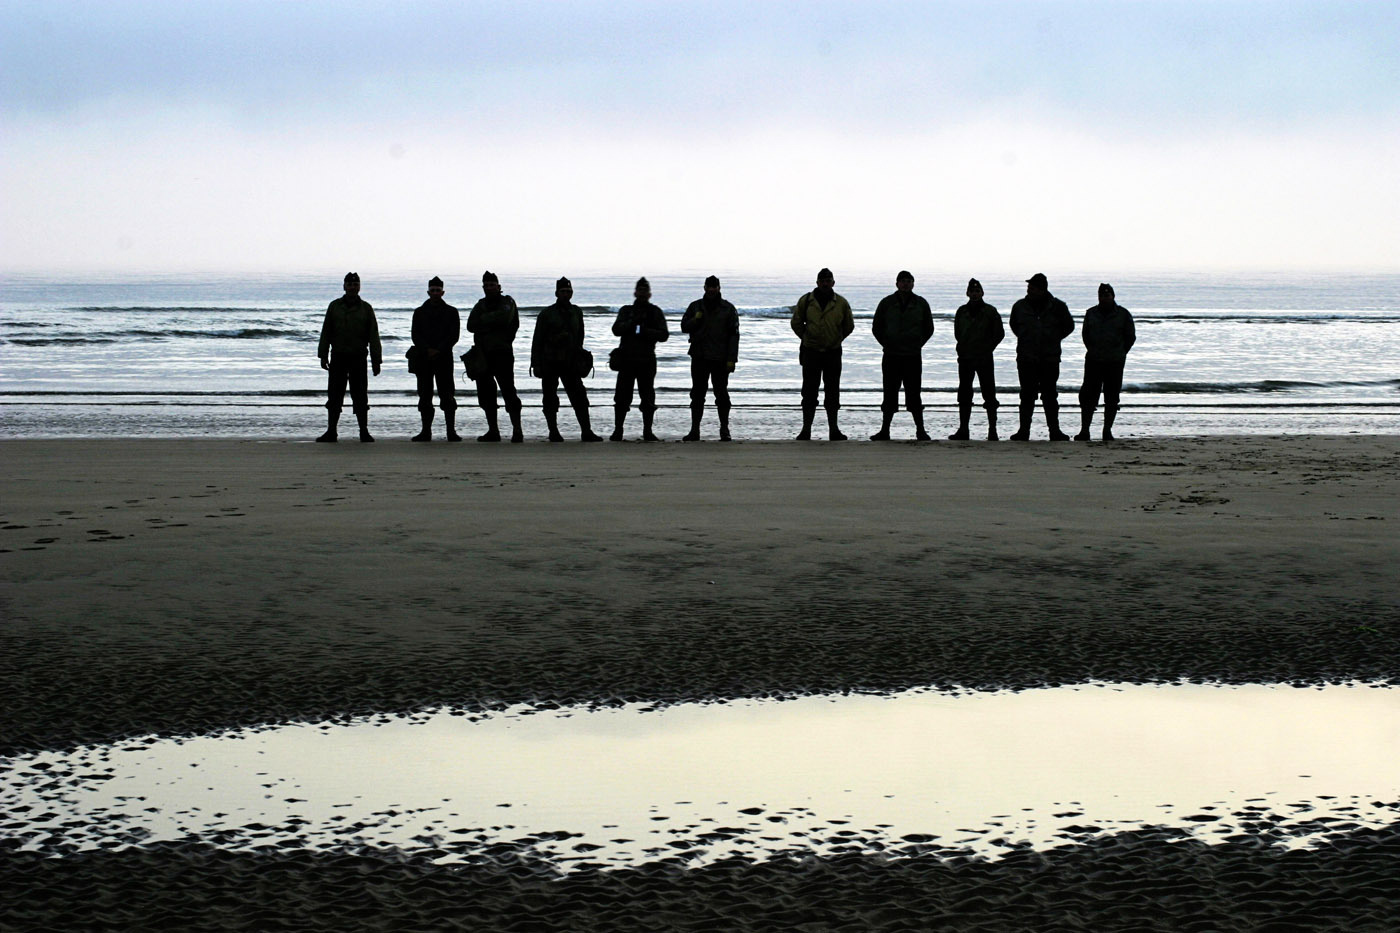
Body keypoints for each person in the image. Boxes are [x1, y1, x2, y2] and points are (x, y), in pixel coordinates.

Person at [531, 276, 602, 442]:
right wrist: (535, 363)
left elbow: (580, 336)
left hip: (570, 361)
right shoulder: (547, 314)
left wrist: (580, 356)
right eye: (563, 291)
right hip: (550, 361)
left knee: (579, 397)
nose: (566, 294)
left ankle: (586, 431)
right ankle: (553, 432)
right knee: (549, 398)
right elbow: (537, 340)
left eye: (568, 291)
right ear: (556, 293)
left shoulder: (576, 312)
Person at [1008, 272, 1074, 441]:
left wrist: (1052, 338)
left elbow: (1068, 327)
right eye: (1029, 286)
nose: (1029, 289)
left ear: (1042, 289)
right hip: (1026, 357)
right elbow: (1014, 326)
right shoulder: (1020, 306)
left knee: (1050, 395)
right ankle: (1024, 431)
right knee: (1027, 395)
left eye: (1032, 287)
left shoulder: (1058, 306)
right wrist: (1027, 338)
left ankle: (1055, 431)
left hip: (1049, 358)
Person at [790, 268, 855, 441]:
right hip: (811, 352)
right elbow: (796, 322)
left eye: (828, 280)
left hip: (833, 352)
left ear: (833, 282)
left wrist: (836, 339)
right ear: (817, 282)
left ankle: (834, 430)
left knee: (832, 392)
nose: (825, 283)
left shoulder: (841, 302)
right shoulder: (806, 300)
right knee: (809, 392)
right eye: (822, 280)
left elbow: (849, 325)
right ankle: (806, 430)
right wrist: (806, 337)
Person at [316, 272, 381, 442]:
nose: (353, 287)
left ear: (359, 286)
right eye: (350, 284)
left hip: (358, 357)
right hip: (338, 357)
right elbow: (326, 332)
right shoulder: (334, 306)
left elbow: (374, 335)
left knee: (360, 395)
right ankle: (331, 431)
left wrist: (376, 360)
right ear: (344, 286)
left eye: (355, 284)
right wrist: (323, 355)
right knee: (334, 395)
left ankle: (364, 431)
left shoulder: (366, 308)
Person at [870, 270, 935, 441]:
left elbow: (929, 328)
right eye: (903, 281)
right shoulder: (887, 303)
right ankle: (885, 430)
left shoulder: (921, 303)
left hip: (912, 355)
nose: (906, 284)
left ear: (913, 283)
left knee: (914, 393)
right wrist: (887, 343)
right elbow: (877, 327)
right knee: (889, 393)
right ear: (897, 283)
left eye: (909, 281)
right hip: (891, 355)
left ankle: (920, 430)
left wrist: (917, 343)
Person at [680, 275, 740, 441]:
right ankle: (694, 430)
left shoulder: (728, 308)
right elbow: (684, 327)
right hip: (699, 356)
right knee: (697, 394)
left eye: (715, 286)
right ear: (704, 287)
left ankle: (725, 429)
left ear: (719, 288)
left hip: (720, 358)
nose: (712, 289)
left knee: (721, 394)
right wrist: (695, 319)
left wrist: (732, 359)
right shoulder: (695, 306)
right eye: (709, 286)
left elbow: (734, 335)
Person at [610, 276, 669, 441]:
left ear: (649, 294)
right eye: (640, 290)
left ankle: (647, 431)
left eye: (645, 291)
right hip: (627, 359)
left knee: (648, 397)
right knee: (622, 397)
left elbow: (664, 335)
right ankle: (618, 430)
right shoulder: (626, 311)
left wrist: (646, 331)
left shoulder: (655, 311)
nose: (642, 294)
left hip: (646, 359)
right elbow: (616, 329)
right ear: (635, 292)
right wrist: (631, 324)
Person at [466, 271, 523, 442]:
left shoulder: (508, 302)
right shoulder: (480, 304)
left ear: (499, 287)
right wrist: (490, 322)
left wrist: (484, 321)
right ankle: (493, 431)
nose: (489, 288)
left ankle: (517, 430)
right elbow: (470, 325)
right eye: (486, 286)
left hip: (502, 353)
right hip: (483, 355)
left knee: (509, 391)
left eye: (492, 285)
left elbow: (505, 320)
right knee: (486, 394)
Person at [1076, 283, 1136, 442]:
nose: (1104, 298)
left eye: (1107, 295)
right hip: (1094, 360)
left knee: (1112, 397)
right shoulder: (1091, 313)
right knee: (1088, 396)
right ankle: (1084, 431)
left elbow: (1130, 337)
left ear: (1113, 296)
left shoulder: (1123, 314)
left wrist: (1120, 352)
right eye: (1101, 295)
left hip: (1114, 362)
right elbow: (1085, 335)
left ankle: (1107, 431)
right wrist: (1094, 350)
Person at [949, 278, 1004, 441]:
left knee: (989, 393)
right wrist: (964, 346)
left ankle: (992, 430)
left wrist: (987, 347)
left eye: (977, 291)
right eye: (972, 291)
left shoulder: (990, 311)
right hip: (965, 357)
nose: (974, 294)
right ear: (967, 293)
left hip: (984, 357)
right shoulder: (961, 311)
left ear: (982, 293)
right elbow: (957, 332)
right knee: (964, 393)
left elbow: (999, 333)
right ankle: (963, 429)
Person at [410, 276, 460, 442]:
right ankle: (426, 432)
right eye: (433, 290)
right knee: (424, 396)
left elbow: (454, 336)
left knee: (447, 395)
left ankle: (451, 432)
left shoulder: (452, 312)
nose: (435, 293)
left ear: (443, 292)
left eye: (438, 290)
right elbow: (415, 335)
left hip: (444, 358)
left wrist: (438, 349)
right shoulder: (419, 312)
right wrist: (427, 349)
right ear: (428, 292)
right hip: (424, 359)